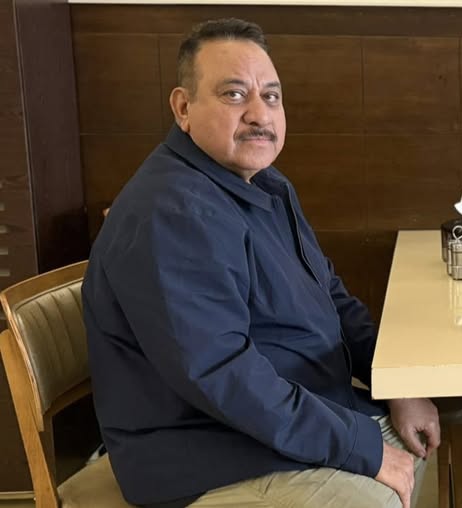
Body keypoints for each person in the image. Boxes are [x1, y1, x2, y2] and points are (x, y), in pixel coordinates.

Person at [82, 18, 437, 508]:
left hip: (287, 419)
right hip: (209, 453)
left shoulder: (265, 184)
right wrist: (361, 446)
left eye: (271, 96)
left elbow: (329, 294)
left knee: (425, 437)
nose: (259, 113)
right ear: (183, 108)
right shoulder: (173, 212)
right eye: (234, 95)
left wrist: (395, 382)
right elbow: (224, 373)